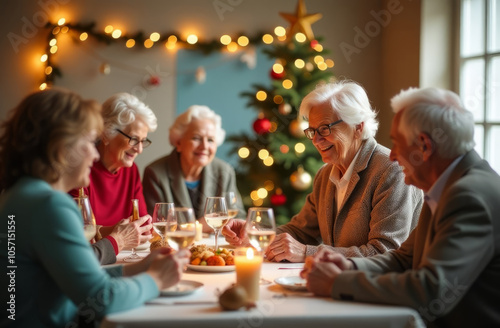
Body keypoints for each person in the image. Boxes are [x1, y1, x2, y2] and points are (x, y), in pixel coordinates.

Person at [300, 87, 500, 327]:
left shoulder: (467, 195)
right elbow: (404, 259)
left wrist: (337, 284)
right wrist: (349, 266)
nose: (392, 155)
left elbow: (431, 289)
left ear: (424, 146)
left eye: (397, 143)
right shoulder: (448, 186)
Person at [0, 88, 189, 328]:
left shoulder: (20, 193)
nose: (94, 152)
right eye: (89, 142)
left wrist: (142, 267)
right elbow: (103, 299)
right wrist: (156, 279)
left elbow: (76, 278)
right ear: (60, 147)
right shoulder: (49, 205)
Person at [223, 81, 423, 262]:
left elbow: (385, 253)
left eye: (325, 128)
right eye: (312, 131)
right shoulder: (325, 174)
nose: (316, 141)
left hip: (379, 294)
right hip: (338, 283)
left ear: (358, 127)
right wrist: (253, 232)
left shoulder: (391, 171)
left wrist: (307, 252)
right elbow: (300, 231)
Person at [70, 92, 157, 260]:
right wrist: (120, 235)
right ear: (105, 134)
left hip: (116, 258)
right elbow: (78, 232)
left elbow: (144, 226)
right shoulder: (81, 171)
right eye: (133, 139)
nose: (139, 149)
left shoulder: (131, 171)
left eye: (143, 141)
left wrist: (110, 232)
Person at [143, 105, 245, 232]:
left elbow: (239, 217)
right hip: (173, 249)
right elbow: (155, 227)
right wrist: (198, 227)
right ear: (179, 143)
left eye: (211, 140)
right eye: (196, 138)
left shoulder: (224, 171)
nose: (204, 146)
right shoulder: (155, 173)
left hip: (215, 249)